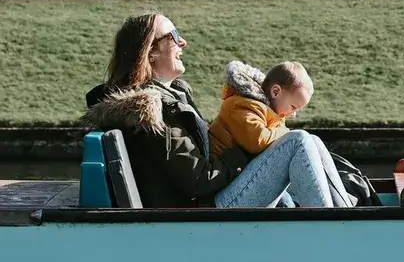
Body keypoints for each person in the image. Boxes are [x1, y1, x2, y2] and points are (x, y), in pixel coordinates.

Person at [84, 15, 353, 208]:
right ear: (150, 52)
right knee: (298, 142)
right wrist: (244, 151)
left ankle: (347, 218)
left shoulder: (172, 96)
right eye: (173, 36)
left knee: (309, 142)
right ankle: (338, 230)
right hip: (204, 210)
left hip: (211, 197)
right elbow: (198, 180)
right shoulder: (151, 110)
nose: (183, 42)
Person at [208, 60, 313, 162]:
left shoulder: (268, 111)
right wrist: (286, 132)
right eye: (293, 107)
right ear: (276, 92)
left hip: (239, 169)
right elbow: (258, 141)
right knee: (299, 139)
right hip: (224, 171)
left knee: (312, 141)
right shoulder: (243, 105)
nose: (293, 114)